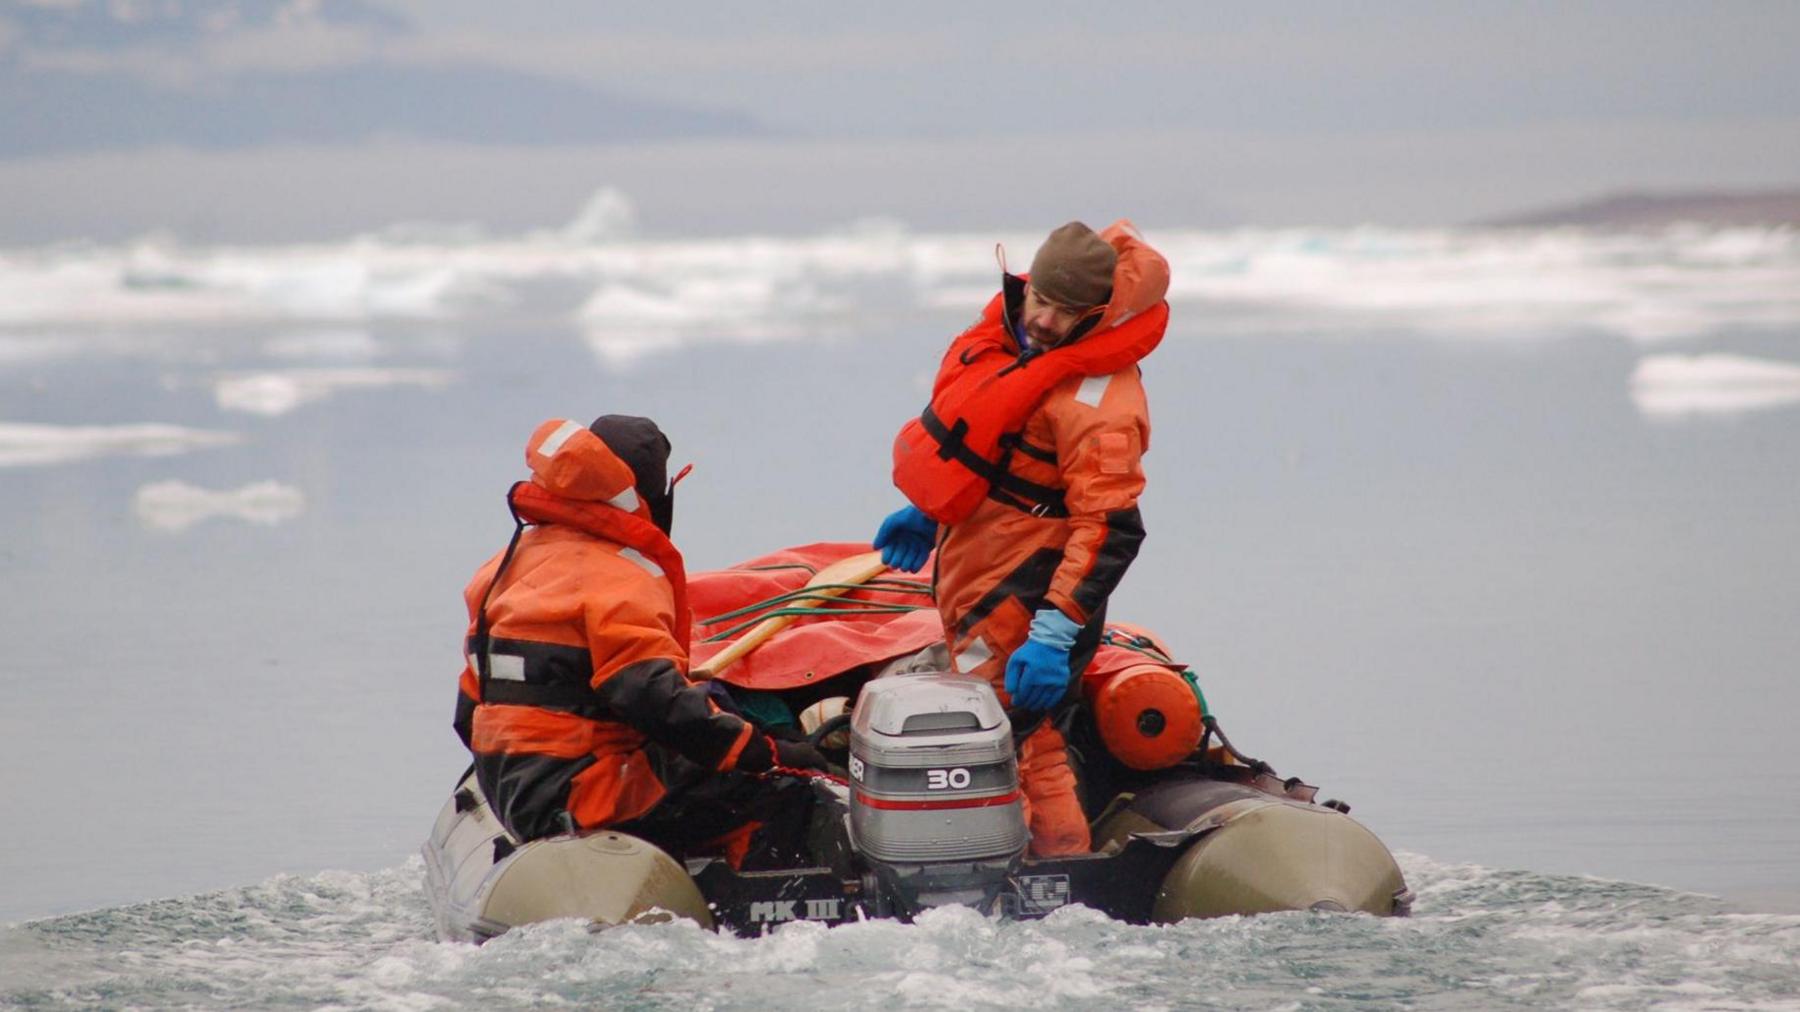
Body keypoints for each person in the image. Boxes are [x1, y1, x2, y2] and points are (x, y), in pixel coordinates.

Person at [875, 220, 1170, 857]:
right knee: (1006, 742)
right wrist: (928, 512)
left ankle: (1058, 880)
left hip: (1030, 595)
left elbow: (1112, 528)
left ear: (1095, 316)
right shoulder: (1012, 348)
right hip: (979, 576)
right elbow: (992, 448)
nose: (1042, 321)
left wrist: (1053, 633)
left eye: (1065, 314)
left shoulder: (1102, 402)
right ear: (1025, 284)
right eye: (1039, 300)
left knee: (1033, 749)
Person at [452, 414, 828, 867]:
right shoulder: (622, 578)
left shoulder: (501, 569)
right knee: (789, 790)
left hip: (509, 786)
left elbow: (467, 713)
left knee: (702, 728)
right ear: (649, 496)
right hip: (585, 792)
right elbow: (653, 697)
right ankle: (750, 913)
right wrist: (769, 752)